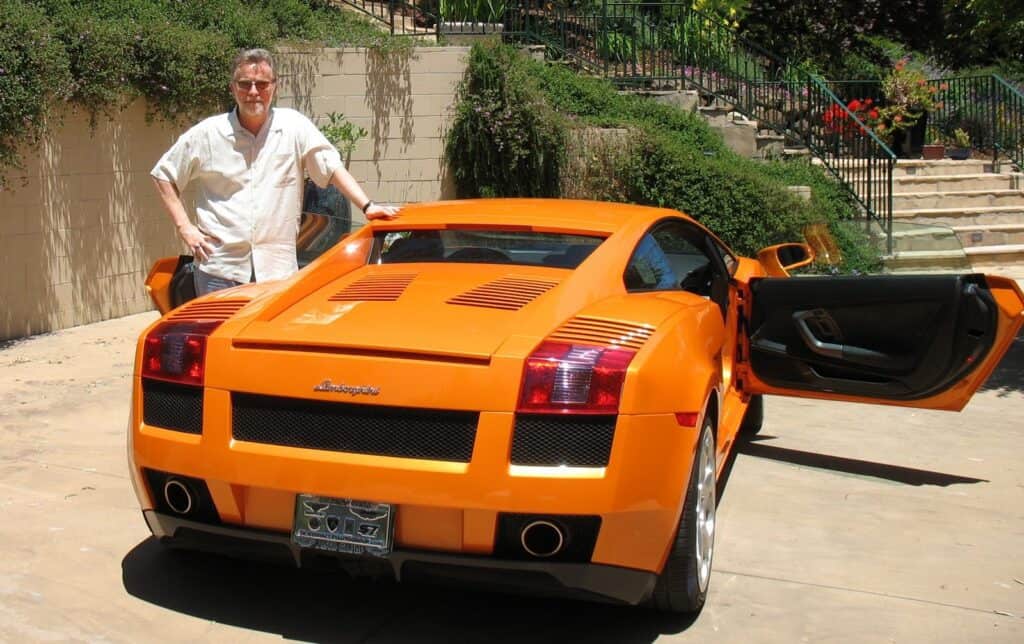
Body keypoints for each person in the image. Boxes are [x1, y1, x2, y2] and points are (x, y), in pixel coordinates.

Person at [151, 48, 399, 295]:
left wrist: (367, 205)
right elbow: (164, 174)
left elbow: (329, 165)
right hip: (220, 270)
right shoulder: (208, 134)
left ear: (274, 87)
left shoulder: (293, 126)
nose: (253, 92)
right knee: (218, 335)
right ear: (232, 88)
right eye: (245, 84)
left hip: (277, 271)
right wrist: (185, 228)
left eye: (261, 84)